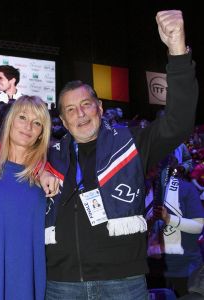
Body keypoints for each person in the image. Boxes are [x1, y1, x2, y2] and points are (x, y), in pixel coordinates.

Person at [43, 10, 198, 299]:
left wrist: (177, 50)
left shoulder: (132, 143)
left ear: (99, 107)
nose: (81, 114)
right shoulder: (48, 157)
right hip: (61, 285)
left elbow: (179, 120)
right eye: (70, 110)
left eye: (86, 104)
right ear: (62, 121)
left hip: (123, 284)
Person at [0, 95, 53, 300]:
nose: (28, 126)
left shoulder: (48, 179)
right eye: (22, 117)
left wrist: (43, 171)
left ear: (42, 133)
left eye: (37, 122)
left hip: (24, 281)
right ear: (10, 120)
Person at [145, 155, 204, 297]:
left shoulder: (184, 190)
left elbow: (197, 227)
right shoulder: (140, 188)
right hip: (149, 260)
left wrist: (169, 218)